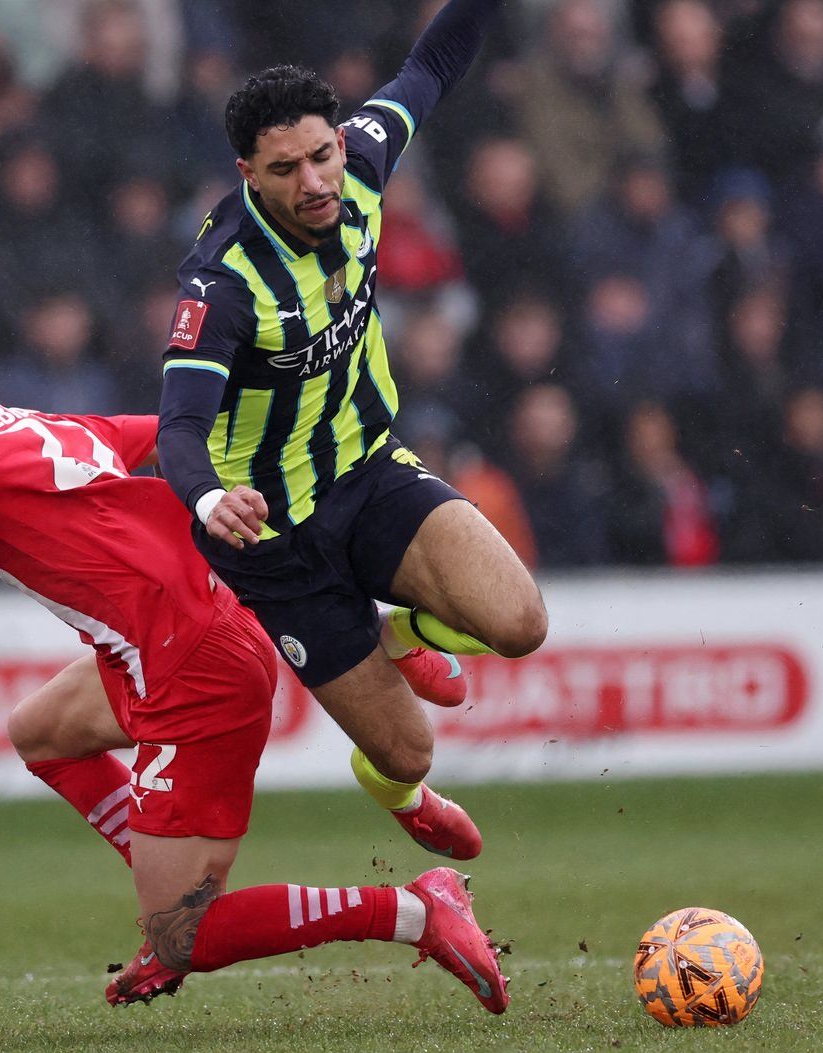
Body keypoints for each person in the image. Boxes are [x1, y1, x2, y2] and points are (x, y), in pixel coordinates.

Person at [0, 330, 512, 1012]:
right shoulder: (26, 425)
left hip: (192, 670)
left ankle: (415, 909)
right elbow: (167, 436)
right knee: (38, 733)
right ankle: (167, 882)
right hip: (159, 647)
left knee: (189, 937)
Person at [156, 0, 548, 861]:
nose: (316, 182)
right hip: (272, 537)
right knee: (409, 751)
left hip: (367, 474)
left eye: (322, 155)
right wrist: (211, 495)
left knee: (520, 624)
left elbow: (432, 66)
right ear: (249, 173)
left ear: (342, 139)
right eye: (287, 168)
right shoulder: (222, 285)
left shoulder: (365, 159)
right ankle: (397, 793)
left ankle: (395, 633)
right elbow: (177, 429)